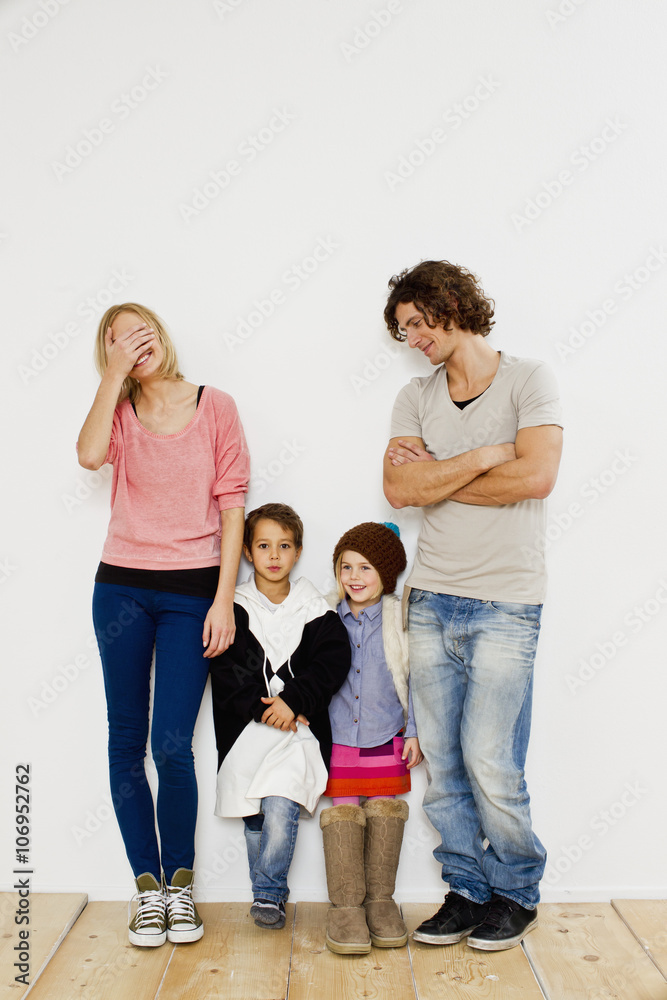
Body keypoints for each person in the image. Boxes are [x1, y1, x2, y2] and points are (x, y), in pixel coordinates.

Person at [382, 260, 563, 951]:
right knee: (443, 764)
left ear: (450, 304)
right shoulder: (414, 396)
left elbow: (536, 476)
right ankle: (466, 888)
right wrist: (488, 455)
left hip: (506, 603)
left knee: (491, 760)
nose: (411, 339)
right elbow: (399, 491)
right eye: (402, 331)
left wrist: (437, 475)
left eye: (416, 322)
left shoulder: (529, 379)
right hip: (431, 598)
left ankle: (515, 891)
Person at [77, 303, 249, 947]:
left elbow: (233, 509)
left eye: (140, 332)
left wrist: (224, 599)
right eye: (117, 341)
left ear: (161, 335)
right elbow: (88, 455)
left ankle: (180, 886)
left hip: (191, 592)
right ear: (109, 354)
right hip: (119, 587)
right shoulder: (118, 411)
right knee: (126, 741)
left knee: (172, 744)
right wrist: (111, 378)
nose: (132, 344)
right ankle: (147, 890)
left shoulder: (216, 406)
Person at [209, 503, 350, 930]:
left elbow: (331, 664)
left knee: (281, 803)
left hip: (298, 733)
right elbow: (227, 667)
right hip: (245, 733)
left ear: (298, 552)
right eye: (264, 546)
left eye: (284, 546)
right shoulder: (232, 606)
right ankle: (264, 893)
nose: (274, 555)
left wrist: (294, 701)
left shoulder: (316, 609)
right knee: (255, 817)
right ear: (247, 552)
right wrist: (264, 709)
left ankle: (269, 893)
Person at [320, 521, 423, 955]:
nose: (355, 577)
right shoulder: (325, 615)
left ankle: (380, 902)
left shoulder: (400, 619)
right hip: (340, 738)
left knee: (384, 813)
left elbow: (415, 677)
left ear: (386, 572)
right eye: (346, 567)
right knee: (343, 816)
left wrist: (413, 732)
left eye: (366, 567)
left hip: (386, 735)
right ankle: (346, 908)